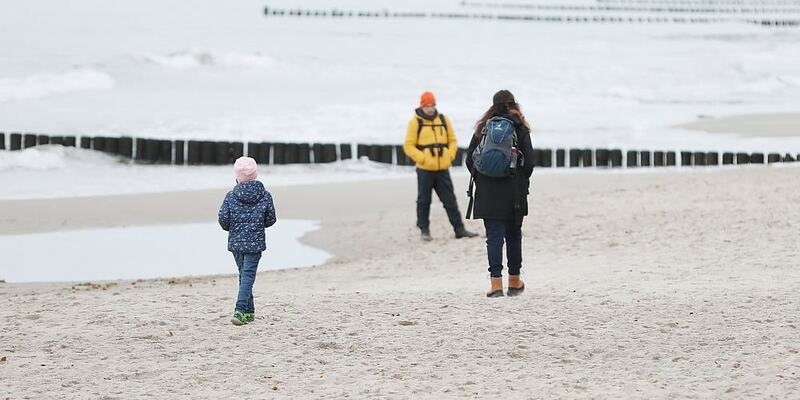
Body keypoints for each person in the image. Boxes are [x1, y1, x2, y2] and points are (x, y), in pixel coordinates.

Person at [465, 90, 534, 297]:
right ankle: (514, 282)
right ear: (514, 104)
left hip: (487, 192)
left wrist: (484, 178)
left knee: (494, 237)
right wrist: (520, 179)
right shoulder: (520, 128)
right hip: (514, 191)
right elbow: (529, 162)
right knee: (513, 235)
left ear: (493, 106)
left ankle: (496, 285)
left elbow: (470, 159)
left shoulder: (483, 128)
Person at [403, 91, 478, 241]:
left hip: (443, 168)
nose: (430, 108)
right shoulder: (415, 122)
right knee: (424, 201)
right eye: (427, 106)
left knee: (450, 200)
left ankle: (459, 229)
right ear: (422, 106)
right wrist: (422, 158)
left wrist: (449, 156)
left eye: (432, 105)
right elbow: (408, 145)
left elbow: (452, 140)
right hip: (424, 169)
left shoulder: (443, 119)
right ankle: (424, 230)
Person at [218, 156, 277, 325]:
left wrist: (232, 228)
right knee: (247, 276)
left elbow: (223, 219)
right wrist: (258, 224)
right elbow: (271, 219)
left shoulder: (231, 196)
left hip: (236, 242)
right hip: (255, 242)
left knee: (245, 276)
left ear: (237, 177)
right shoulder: (265, 195)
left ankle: (245, 311)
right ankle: (243, 310)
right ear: (255, 175)